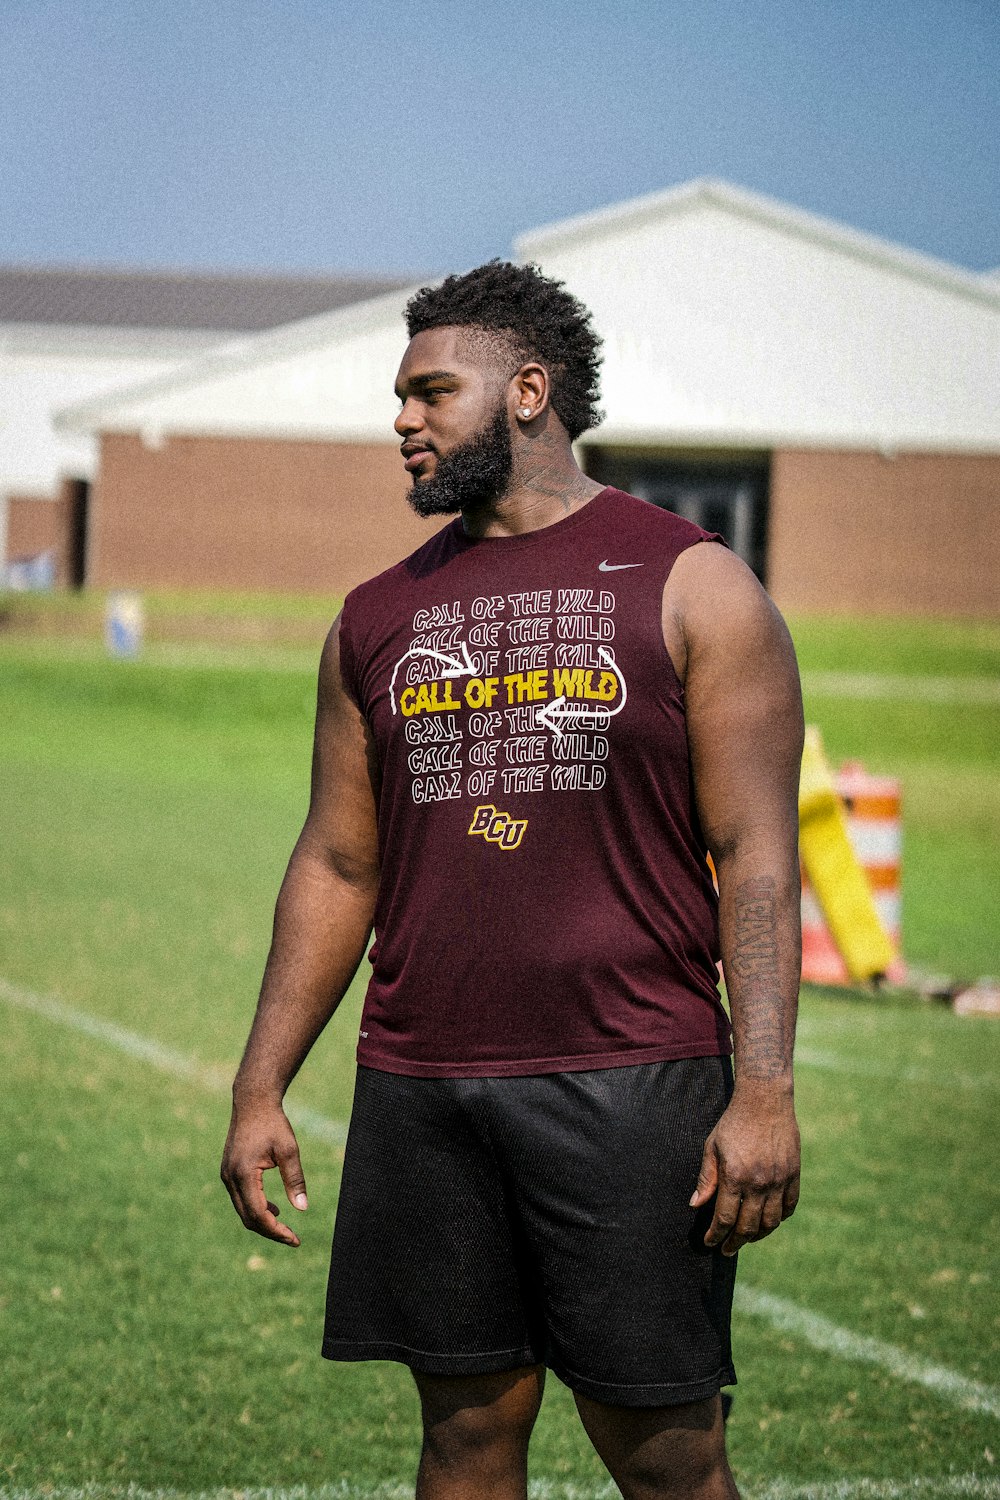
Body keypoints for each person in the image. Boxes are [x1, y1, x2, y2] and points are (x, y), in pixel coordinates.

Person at [221, 260, 803, 1500]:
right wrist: (261, 1083)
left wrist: (762, 1089)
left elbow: (755, 855)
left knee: (665, 1450)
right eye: (399, 395)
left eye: (432, 391)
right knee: (464, 1437)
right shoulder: (374, 617)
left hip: (630, 1081)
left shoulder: (694, 584)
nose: (401, 421)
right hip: (425, 1084)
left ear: (528, 392)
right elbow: (336, 860)